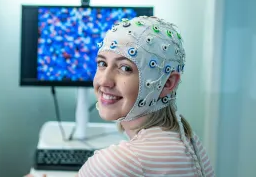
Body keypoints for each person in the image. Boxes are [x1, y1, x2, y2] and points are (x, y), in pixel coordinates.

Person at [28, 16, 215, 177]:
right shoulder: (192, 144)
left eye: (125, 68)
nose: (104, 81)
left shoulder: (116, 164)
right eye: (102, 63)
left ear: (167, 83)